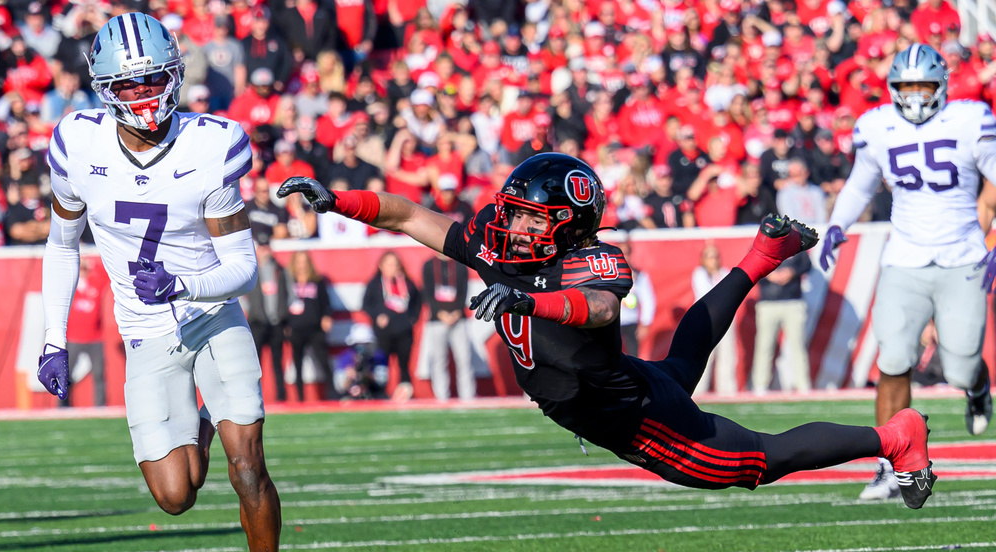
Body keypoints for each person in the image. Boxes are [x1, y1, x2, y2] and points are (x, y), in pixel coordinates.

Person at [278, 152, 936, 511]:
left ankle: (894, 436)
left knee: (759, 461)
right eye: (512, 212)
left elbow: (594, 309)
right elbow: (411, 216)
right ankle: (763, 253)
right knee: (681, 361)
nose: (512, 226)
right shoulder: (501, 249)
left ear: (568, 223)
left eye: (530, 218)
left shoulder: (595, 258)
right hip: (620, 385)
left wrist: (528, 302)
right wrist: (339, 200)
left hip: (636, 417)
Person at [36, 13, 292, 552]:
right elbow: (61, 246)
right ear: (102, 89)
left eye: (153, 79)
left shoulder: (212, 145)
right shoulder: (78, 145)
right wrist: (53, 339)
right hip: (145, 331)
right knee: (175, 495)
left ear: (175, 75)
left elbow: (242, 266)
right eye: (128, 85)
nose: (143, 95)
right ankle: (198, 420)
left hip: (211, 315)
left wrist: (185, 284)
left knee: (247, 466)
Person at [820, 44, 996, 500]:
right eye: (905, 86)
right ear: (892, 89)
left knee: (959, 366)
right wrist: (838, 224)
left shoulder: (969, 118)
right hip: (904, 257)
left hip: (961, 256)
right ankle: (889, 466)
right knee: (893, 360)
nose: (915, 95)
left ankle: (977, 388)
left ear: (941, 86)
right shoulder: (877, 126)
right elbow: (860, 183)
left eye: (923, 85)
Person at [750, 247, 812, 394]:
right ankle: (760, 385)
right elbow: (752, 267)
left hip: (792, 301)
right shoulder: (762, 243)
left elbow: (807, 265)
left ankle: (803, 384)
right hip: (768, 303)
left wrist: (792, 272)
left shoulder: (796, 243)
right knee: (764, 345)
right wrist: (768, 274)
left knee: (798, 345)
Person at [361, 251, 421, 402]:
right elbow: (365, 305)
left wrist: (412, 318)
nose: (391, 268)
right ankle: (381, 394)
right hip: (383, 333)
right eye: (388, 264)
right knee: (382, 366)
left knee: (404, 365)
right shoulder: (375, 284)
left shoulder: (407, 282)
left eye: (394, 264)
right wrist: (377, 316)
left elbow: (418, 301)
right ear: (381, 266)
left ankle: (406, 394)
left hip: (404, 331)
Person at [421, 253, 475, 401]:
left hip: (459, 319)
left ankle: (468, 398)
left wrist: (457, 312)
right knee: (439, 360)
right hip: (437, 320)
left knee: (464, 359)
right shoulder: (429, 265)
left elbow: (464, 291)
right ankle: (441, 398)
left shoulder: (460, 265)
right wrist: (439, 313)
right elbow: (427, 293)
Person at [245, 232, 290, 403]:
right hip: (257, 322)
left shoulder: (280, 270)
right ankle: (253, 397)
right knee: (255, 364)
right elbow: (242, 295)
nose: (265, 251)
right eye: (262, 248)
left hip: (276, 322)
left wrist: (284, 316)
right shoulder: (252, 269)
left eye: (266, 248)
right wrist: (251, 310)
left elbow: (288, 294)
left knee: (278, 364)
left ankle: (281, 398)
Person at [287, 251, 337, 401]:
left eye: (304, 261)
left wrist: (326, 317)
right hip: (296, 328)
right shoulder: (289, 281)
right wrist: (285, 323)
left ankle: (332, 395)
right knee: (298, 364)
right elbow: (282, 303)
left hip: (315, 329)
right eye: (298, 261)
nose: (301, 265)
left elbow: (325, 302)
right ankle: (300, 398)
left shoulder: (317, 281)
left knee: (323, 361)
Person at [691, 243, 737, 395]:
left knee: (727, 356)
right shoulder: (699, 274)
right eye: (709, 257)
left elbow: (729, 296)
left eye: (715, 257)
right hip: (706, 320)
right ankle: (698, 391)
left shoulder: (724, 273)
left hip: (725, 318)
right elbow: (708, 294)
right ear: (703, 260)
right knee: (704, 357)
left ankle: (727, 391)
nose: (713, 260)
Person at [61, 259, 107, 407]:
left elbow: (105, 273)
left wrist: (90, 262)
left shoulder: (95, 284)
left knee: (99, 374)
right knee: (66, 375)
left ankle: (100, 407)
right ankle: (63, 406)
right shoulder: (71, 287)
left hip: (95, 338)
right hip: (74, 338)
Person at [618, 238, 655, 358]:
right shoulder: (609, 274)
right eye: (621, 253)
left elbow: (648, 299)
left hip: (631, 320)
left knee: (633, 355)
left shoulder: (639, 275)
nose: (624, 257)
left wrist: (645, 322)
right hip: (613, 320)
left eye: (626, 253)